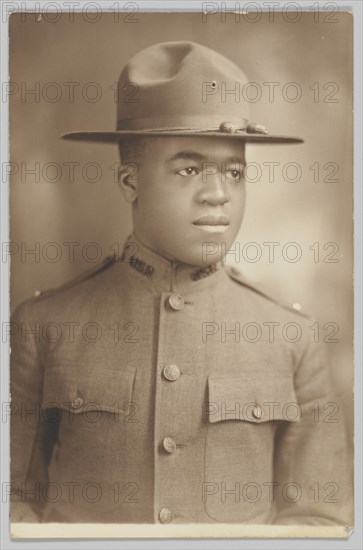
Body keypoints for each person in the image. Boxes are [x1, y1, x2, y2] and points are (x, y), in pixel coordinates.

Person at [10, 41, 352, 525]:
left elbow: (320, 521)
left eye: (235, 172)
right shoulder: (45, 326)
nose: (217, 195)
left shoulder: (291, 337)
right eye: (190, 169)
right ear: (130, 182)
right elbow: (11, 503)